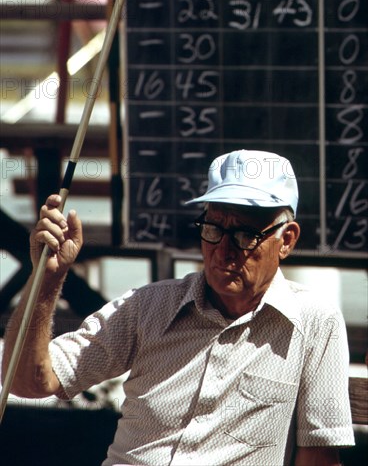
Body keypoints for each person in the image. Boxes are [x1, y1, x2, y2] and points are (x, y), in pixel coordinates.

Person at [2, 150, 354, 465]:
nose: (224, 250)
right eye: (213, 229)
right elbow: (28, 382)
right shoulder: (148, 306)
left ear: (286, 240)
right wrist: (45, 281)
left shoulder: (314, 323)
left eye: (246, 235)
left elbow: (319, 457)